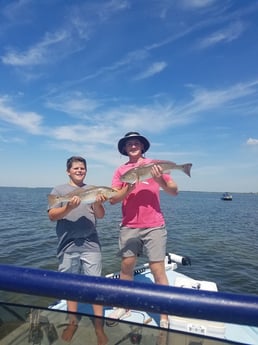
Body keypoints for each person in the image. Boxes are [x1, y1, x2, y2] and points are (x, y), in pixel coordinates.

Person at [108, 132, 178, 329]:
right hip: (129, 225)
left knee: (158, 269)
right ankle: (124, 305)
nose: (133, 146)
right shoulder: (121, 171)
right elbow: (113, 199)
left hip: (155, 225)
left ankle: (164, 315)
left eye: (136, 143)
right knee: (127, 266)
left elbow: (174, 191)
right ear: (124, 148)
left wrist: (161, 180)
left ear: (143, 146)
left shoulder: (155, 165)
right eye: (129, 143)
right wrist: (129, 186)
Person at [48, 156, 108, 345]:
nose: (80, 170)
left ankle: (99, 326)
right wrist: (68, 207)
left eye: (82, 168)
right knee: (70, 286)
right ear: (68, 171)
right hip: (67, 245)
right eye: (76, 168)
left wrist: (98, 203)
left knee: (96, 285)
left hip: (91, 243)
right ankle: (72, 322)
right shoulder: (59, 191)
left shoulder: (93, 190)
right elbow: (52, 216)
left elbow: (100, 215)